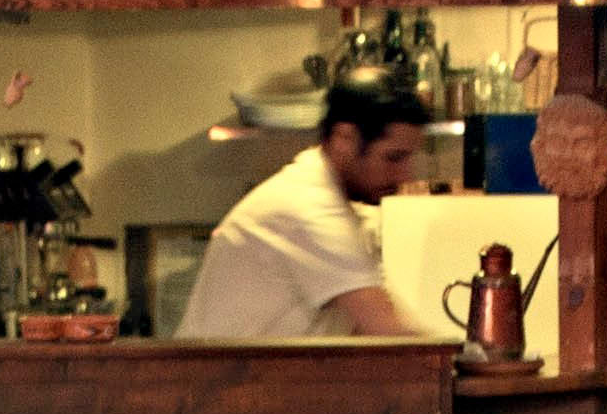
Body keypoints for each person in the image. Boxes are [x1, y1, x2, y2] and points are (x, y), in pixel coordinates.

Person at [174, 64, 427, 342]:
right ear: (345, 139)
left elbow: (367, 333)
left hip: (249, 370)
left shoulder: (337, 204)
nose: (405, 175)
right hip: (223, 372)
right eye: (394, 158)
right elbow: (390, 334)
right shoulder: (308, 207)